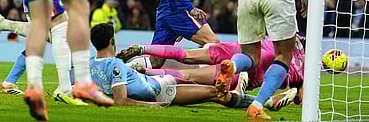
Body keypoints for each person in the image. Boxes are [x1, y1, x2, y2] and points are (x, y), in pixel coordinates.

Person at [89, 23, 257, 109]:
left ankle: (253, 98)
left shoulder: (90, 65)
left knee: (212, 89)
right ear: (112, 41)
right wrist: (151, 105)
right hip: (162, 91)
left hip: (158, 81)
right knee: (215, 92)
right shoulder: (116, 64)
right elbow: (121, 100)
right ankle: (259, 102)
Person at [117, 36, 305, 110]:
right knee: (196, 81)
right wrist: (297, 91)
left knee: (187, 63)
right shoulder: (301, 61)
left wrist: (143, 48)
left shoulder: (280, 37)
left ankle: (241, 76)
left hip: (241, 49)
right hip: (259, 64)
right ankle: (266, 100)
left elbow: (183, 54)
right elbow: (299, 97)